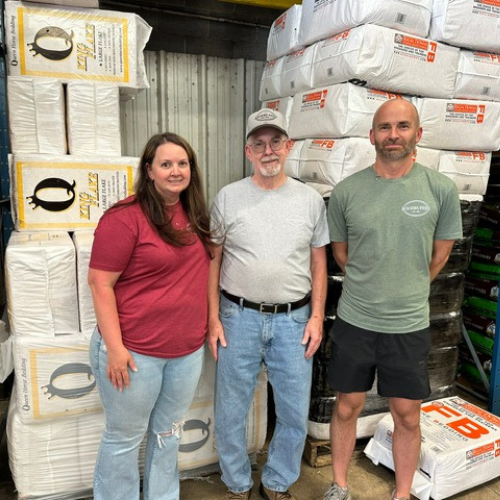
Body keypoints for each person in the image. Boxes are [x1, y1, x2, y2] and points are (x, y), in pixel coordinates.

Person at [322, 99, 462, 500]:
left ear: (418, 134)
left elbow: (440, 256)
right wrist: (373, 284)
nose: (393, 135)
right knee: (347, 406)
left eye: (402, 126)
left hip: (408, 325)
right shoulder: (348, 192)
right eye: (384, 127)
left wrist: (406, 285)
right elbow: (342, 255)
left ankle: (402, 494)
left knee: (407, 415)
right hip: (355, 322)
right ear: (372, 136)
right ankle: (339, 485)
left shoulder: (440, 189)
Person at [208, 108, 330, 500]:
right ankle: (237, 484)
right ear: (248, 151)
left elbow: (318, 262)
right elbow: (213, 261)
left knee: (294, 412)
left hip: (293, 321)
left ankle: (276, 483)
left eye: (276, 141)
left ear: (288, 146)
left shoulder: (310, 200)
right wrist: (213, 319)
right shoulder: (228, 197)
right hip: (237, 317)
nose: (268, 150)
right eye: (259, 143)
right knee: (230, 411)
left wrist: (316, 318)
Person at [88, 132, 212, 500]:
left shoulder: (195, 213)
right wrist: (114, 348)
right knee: (124, 438)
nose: (176, 171)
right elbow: (99, 284)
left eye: (182, 163)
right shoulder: (125, 218)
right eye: (166, 164)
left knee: (169, 432)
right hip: (135, 354)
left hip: (185, 353)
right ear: (149, 170)